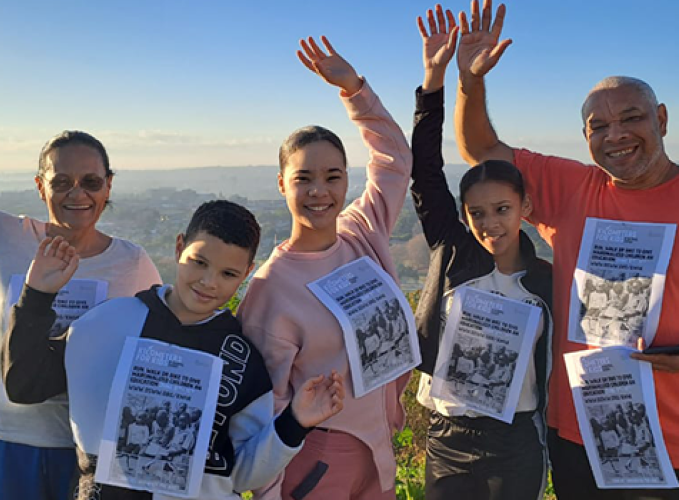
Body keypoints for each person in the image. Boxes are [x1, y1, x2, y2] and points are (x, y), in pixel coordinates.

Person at [452, 0, 679, 497]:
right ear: (585, 136)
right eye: (599, 127)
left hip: (673, 445)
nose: (616, 135)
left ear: (661, 119)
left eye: (632, 118)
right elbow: (482, 151)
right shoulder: (573, 188)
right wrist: (470, 83)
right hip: (580, 436)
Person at [3, 200, 346, 500]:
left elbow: (244, 475)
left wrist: (294, 423)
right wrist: (37, 296)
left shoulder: (243, 361)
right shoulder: (106, 323)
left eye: (228, 273)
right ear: (179, 246)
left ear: (247, 273)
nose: (209, 282)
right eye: (199, 262)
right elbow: (24, 386)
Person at [0, 130, 161, 499]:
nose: (77, 194)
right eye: (61, 182)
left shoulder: (132, 263)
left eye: (91, 182)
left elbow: (164, 344)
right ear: (41, 186)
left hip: (87, 452)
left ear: (108, 186)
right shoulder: (0, 236)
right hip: (2, 441)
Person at [237, 36, 412, 499]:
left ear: (346, 181)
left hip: (378, 448)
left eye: (332, 177)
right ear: (282, 184)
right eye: (303, 179)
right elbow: (264, 406)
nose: (319, 191)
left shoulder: (361, 233)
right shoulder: (272, 287)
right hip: (316, 459)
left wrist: (355, 90)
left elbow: (395, 161)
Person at [410, 5, 553, 499]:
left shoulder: (545, 282)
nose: (490, 223)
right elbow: (425, 170)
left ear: (525, 208)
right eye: (477, 213)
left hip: (516, 440)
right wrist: (434, 80)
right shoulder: (454, 253)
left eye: (502, 209)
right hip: (447, 436)